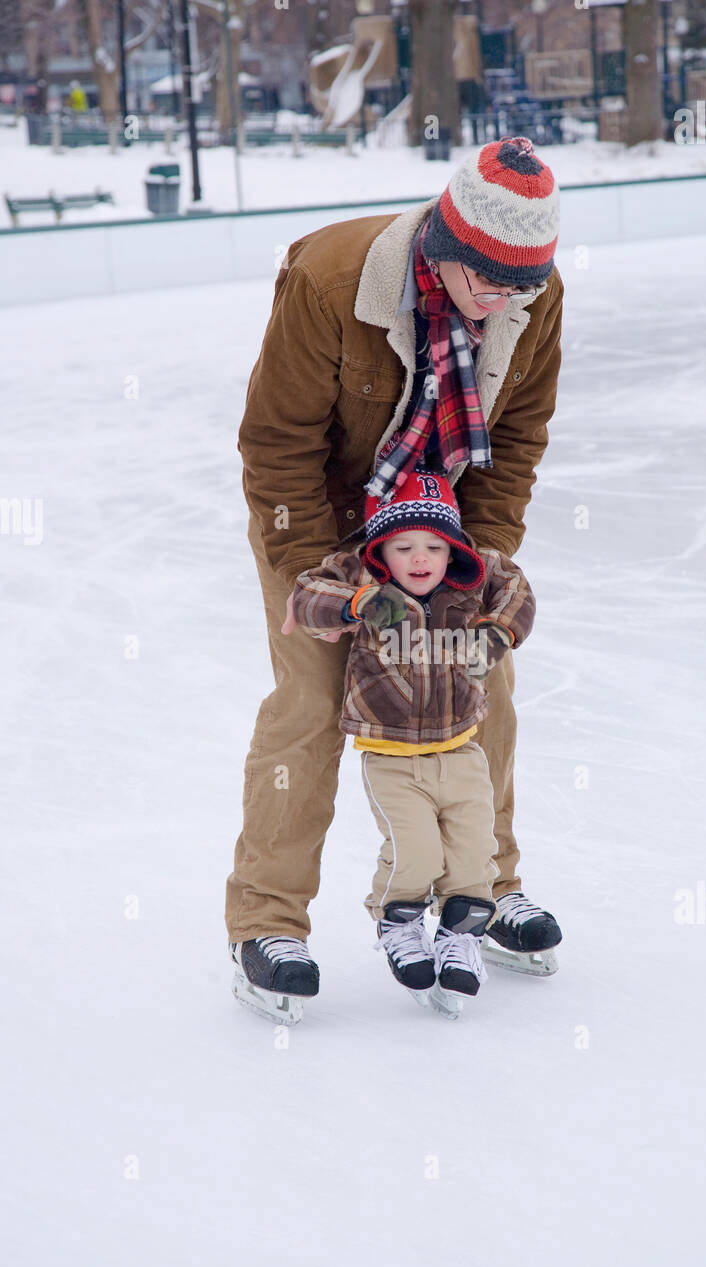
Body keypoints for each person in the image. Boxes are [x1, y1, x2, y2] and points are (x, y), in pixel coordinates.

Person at [226, 135, 563, 1007]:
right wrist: (317, 578)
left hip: (437, 520)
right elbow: (276, 443)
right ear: (445, 248)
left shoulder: (533, 295)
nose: (500, 299)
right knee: (310, 700)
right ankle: (267, 922)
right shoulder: (334, 282)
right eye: (484, 279)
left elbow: (517, 439)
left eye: (518, 284)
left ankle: (482, 889)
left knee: (482, 683)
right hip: (322, 511)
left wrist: (479, 561)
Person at [258, 466, 535, 1018]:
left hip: (461, 751)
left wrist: (500, 631)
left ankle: (463, 935)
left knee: (473, 854)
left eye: (434, 545)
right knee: (415, 852)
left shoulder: (469, 580)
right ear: (381, 549)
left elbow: (516, 589)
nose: (419, 558)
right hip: (393, 759)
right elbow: (310, 591)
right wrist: (356, 603)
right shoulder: (368, 581)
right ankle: (399, 924)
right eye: (403, 545)